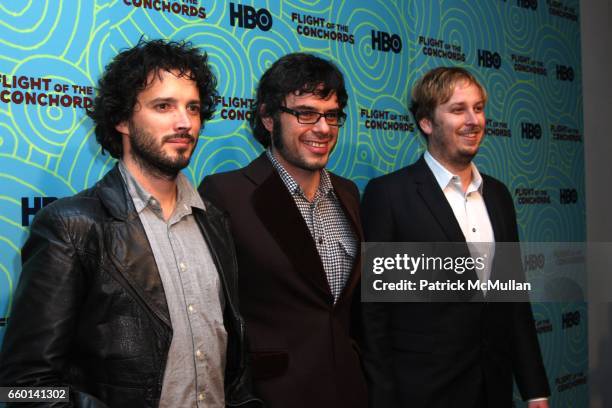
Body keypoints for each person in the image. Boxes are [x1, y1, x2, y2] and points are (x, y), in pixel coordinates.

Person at [0, 39, 261, 408]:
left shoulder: (215, 222)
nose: (184, 122)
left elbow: (234, 363)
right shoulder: (72, 228)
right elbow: (22, 387)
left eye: (193, 108)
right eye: (163, 106)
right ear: (122, 119)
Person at [361, 67, 550, 408]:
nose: (474, 120)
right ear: (426, 123)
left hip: (493, 388)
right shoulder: (389, 195)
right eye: (458, 109)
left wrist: (534, 388)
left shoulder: (499, 196)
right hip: (422, 392)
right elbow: (374, 315)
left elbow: (513, 300)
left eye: (478, 108)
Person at [199, 53, 367, 408]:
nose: (323, 128)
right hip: (272, 395)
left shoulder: (349, 194)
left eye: (332, 115)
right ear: (268, 118)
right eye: (305, 113)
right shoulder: (226, 193)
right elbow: (213, 315)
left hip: (350, 390)